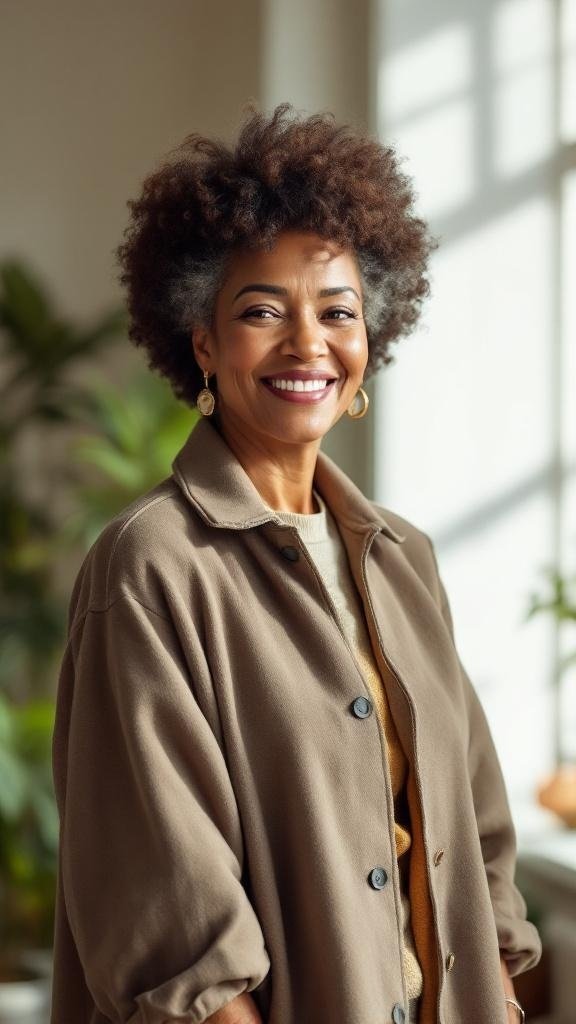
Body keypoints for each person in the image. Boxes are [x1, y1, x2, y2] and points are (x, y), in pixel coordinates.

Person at [50, 103, 541, 1024]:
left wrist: (499, 985)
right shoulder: (149, 567)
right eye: (262, 311)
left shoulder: (404, 559)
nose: (307, 343)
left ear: (369, 342)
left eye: (337, 312)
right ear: (202, 341)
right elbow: (163, 908)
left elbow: (475, 821)